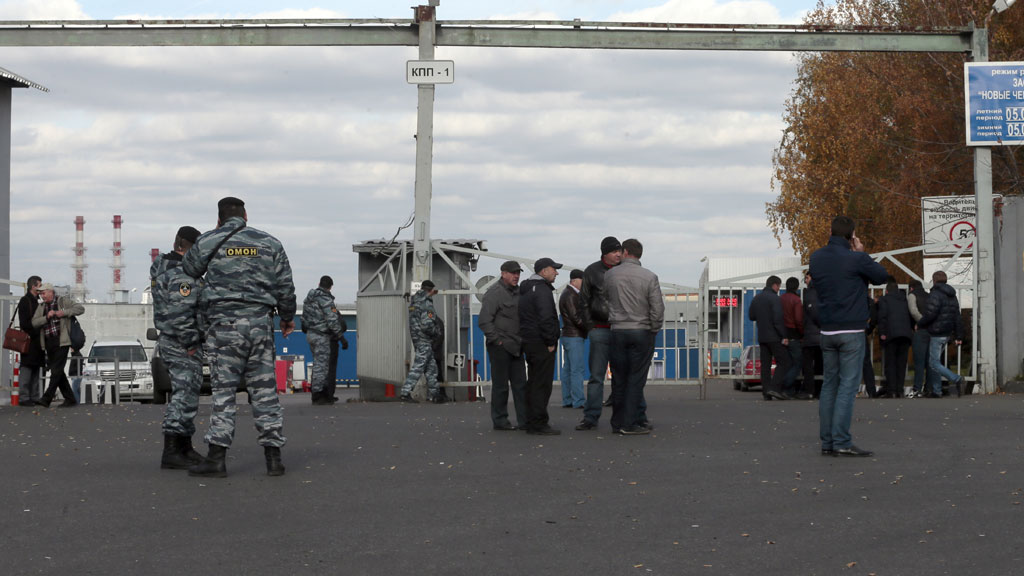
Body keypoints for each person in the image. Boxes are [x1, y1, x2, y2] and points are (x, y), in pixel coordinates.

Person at [183, 196, 296, 478]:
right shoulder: (269, 242)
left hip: (224, 327)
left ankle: (217, 459)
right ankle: (274, 459)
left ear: (219, 218)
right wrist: (286, 316)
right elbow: (285, 284)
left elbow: (189, 269)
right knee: (265, 391)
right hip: (259, 324)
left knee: (223, 393)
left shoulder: (210, 240)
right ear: (246, 215)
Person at [809, 215, 888, 457]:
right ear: (851, 235)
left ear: (830, 232)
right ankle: (842, 440)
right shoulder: (857, 258)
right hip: (851, 330)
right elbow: (881, 277)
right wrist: (862, 252)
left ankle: (828, 442)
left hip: (827, 330)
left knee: (830, 385)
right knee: (848, 386)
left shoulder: (816, 258)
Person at [151, 225, 206, 469]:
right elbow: (182, 313)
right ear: (189, 247)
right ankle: (172, 450)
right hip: (181, 342)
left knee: (188, 395)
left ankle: (184, 447)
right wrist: (192, 342)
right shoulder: (182, 275)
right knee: (184, 395)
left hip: (172, 339)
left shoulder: (164, 269)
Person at [605, 239, 664, 435]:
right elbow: (657, 308)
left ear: (625, 251)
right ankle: (629, 423)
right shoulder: (650, 277)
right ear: (639, 254)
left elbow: (606, 300)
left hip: (617, 330)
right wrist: (653, 328)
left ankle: (617, 422)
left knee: (619, 378)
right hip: (641, 330)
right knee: (636, 379)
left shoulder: (610, 275)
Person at [575, 236, 623, 431]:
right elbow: (583, 300)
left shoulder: (625, 269)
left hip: (622, 329)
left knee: (623, 377)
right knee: (596, 377)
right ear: (605, 253)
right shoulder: (592, 271)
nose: (618, 254)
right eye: (614, 251)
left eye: (620, 250)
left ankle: (625, 417)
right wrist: (590, 327)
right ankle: (591, 417)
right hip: (600, 329)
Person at [479, 261, 528, 430]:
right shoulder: (494, 293)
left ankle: (524, 420)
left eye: (518, 273)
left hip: (516, 346)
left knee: (521, 385)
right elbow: (484, 321)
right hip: (500, 346)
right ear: (503, 273)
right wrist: (497, 341)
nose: (516, 276)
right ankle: (500, 421)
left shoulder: (519, 292)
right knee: (501, 386)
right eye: (513, 273)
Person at [519, 258, 562, 435]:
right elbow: (546, 318)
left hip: (529, 341)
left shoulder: (526, 289)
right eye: (554, 269)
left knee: (534, 382)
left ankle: (531, 420)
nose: (557, 273)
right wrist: (550, 341)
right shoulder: (542, 290)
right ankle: (539, 422)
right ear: (543, 271)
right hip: (541, 343)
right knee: (542, 384)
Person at [32, 283, 85, 408]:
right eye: (40, 294)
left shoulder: (63, 301)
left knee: (56, 370)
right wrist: (46, 317)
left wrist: (64, 313)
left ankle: (46, 398)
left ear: (51, 292)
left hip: (62, 341)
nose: (42, 296)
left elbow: (80, 309)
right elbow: (34, 322)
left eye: (43, 293)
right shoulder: (41, 307)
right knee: (58, 371)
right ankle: (70, 398)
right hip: (49, 342)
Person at [916, 270, 965, 398]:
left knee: (933, 363)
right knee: (936, 362)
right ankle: (937, 391)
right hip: (947, 333)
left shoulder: (935, 294)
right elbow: (957, 316)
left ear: (934, 280)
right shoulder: (952, 295)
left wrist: (920, 324)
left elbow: (930, 313)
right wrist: (959, 335)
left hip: (937, 333)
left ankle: (957, 379)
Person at [303, 275, 348, 405]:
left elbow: (304, 316)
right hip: (321, 335)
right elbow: (332, 320)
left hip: (310, 334)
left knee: (319, 364)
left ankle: (322, 393)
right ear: (330, 287)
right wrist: (341, 338)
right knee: (321, 366)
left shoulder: (309, 298)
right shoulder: (325, 299)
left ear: (319, 283)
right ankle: (318, 395)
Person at [747, 275, 791, 401]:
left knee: (765, 365)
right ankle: (774, 387)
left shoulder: (756, 298)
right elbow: (778, 320)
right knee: (784, 361)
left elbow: (751, 316)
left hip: (762, 337)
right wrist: (784, 335)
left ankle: (766, 392)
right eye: (779, 286)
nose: (779, 289)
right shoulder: (775, 299)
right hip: (775, 337)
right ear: (775, 285)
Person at [399, 280, 443, 403]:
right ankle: (405, 392)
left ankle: (435, 394)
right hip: (424, 338)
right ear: (430, 290)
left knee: (431, 367)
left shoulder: (415, 300)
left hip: (416, 337)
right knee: (419, 366)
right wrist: (436, 332)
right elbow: (427, 325)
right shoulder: (426, 302)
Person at [877, 279, 913, 398]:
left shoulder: (884, 300)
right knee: (901, 364)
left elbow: (882, 317)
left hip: (891, 334)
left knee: (890, 364)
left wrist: (882, 333)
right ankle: (900, 390)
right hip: (905, 335)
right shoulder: (904, 300)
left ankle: (891, 391)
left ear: (886, 291)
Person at [559, 268, 587, 409]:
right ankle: (579, 401)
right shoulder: (571, 295)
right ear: (575, 280)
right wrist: (589, 327)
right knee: (577, 369)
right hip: (574, 335)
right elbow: (576, 318)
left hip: (568, 335)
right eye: (583, 280)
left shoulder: (566, 293)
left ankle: (567, 399)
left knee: (568, 369)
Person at [16, 275, 45, 407]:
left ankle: (33, 396)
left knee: (35, 368)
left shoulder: (35, 300)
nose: (41, 288)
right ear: (33, 286)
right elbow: (25, 323)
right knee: (27, 368)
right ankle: (24, 397)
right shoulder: (25, 301)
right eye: (40, 285)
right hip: (30, 340)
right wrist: (36, 332)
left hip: (36, 341)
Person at [780, 276, 807, 398]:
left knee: (787, 363)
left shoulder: (780, 299)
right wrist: (802, 333)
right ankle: (785, 384)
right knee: (798, 363)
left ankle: (789, 390)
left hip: (782, 335)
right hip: (794, 335)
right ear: (796, 287)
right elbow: (798, 320)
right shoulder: (796, 300)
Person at [906, 279, 931, 398]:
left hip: (920, 331)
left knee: (919, 363)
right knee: (930, 362)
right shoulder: (929, 295)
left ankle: (917, 388)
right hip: (931, 331)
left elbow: (913, 311)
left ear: (911, 288)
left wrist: (921, 322)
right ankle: (929, 388)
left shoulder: (912, 295)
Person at [801, 271, 823, 398]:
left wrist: (820, 324)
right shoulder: (823, 291)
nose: (805, 280)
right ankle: (819, 390)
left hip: (812, 335)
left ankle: (810, 390)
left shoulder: (811, 293)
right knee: (820, 364)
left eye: (807, 278)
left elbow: (813, 311)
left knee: (808, 364)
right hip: (820, 334)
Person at [326, 310, 350, 403]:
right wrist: (341, 339)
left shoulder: (312, 308)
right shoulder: (333, 310)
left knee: (318, 368)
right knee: (331, 369)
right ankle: (329, 394)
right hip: (332, 342)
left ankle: (317, 395)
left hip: (318, 342)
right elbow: (342, 326)